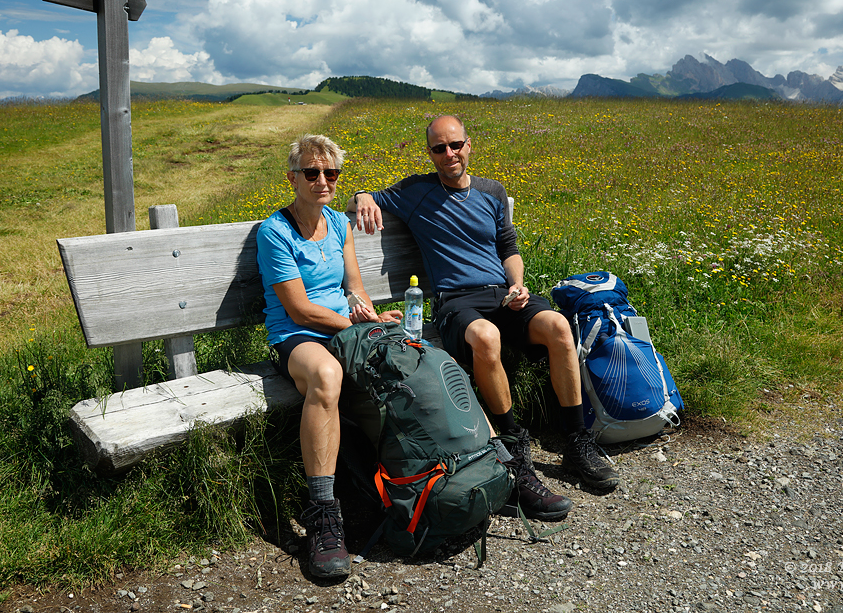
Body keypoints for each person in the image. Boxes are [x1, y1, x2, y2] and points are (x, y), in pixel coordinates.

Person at [349, 115, 620, 517]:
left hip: (502, 294)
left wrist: (519, 284)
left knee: (559, 327)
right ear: (430, 153)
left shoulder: (492, 191)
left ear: (468, 145)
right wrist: (362, 195)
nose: (449, 154)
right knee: (487, 338)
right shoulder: (416, 190)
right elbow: (358, 199)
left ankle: (576, 440)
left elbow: (508, 247)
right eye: (439, 148)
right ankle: (511, 447)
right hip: (456, 301)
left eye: (455, 145)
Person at [256, 134, 402, 579]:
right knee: (326, 374)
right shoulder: (275, 231)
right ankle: (323, 512)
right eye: (312, 173)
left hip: (345, 327)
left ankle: (406, 483)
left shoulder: (339, 224)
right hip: (296, 336)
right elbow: (298, 308)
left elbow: (352, 285)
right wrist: (360, 326)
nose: (323, 180)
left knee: (408, 360)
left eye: (331, 173)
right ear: (292, 178)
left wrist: (369, 312)